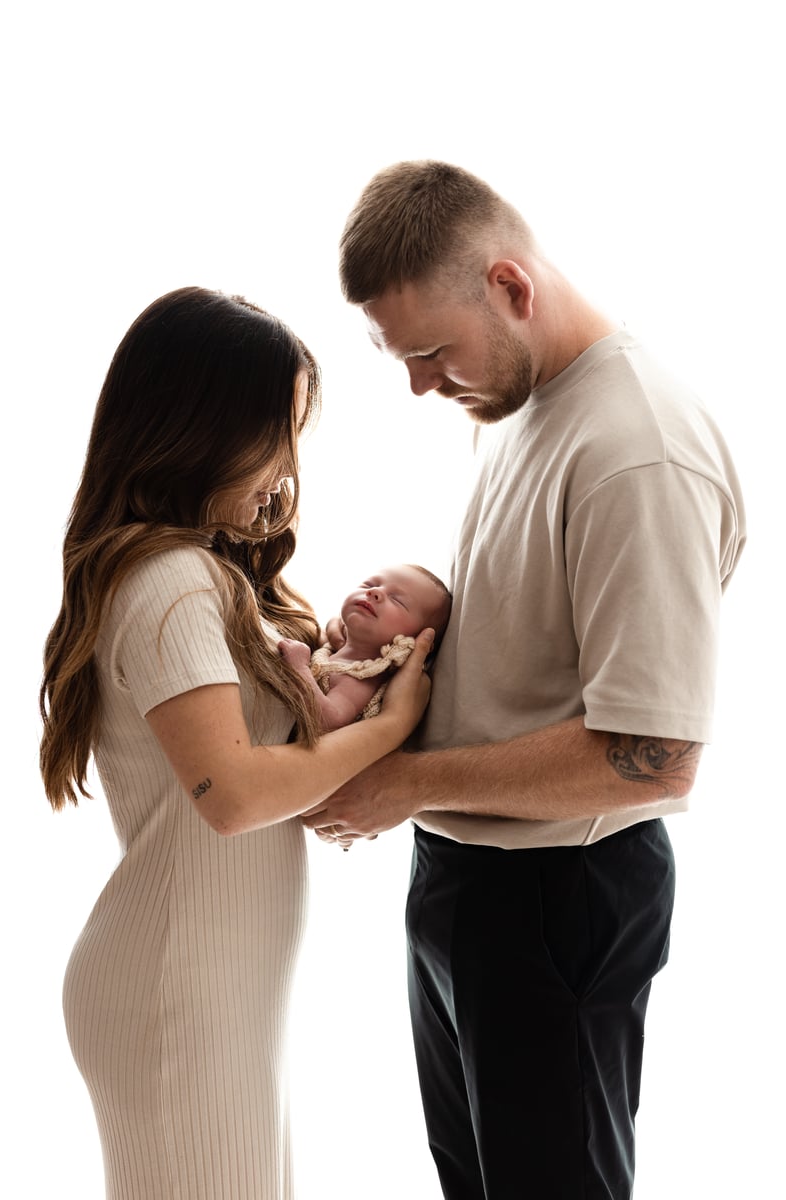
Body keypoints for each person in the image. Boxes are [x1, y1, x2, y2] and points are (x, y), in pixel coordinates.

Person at [302, 162, 747, 1200]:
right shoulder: (516, 408)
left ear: (509, 285)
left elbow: (651, 760)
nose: (416, 384)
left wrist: (406, 784)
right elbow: (535, 640)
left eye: (426, 352)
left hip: (555, 902)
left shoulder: (635, 449)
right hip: (466, 879)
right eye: (393, 355)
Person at [38, 286, 434, 1200]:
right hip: (182, 988)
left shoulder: (203, 573)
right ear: (203, 425)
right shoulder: (175, 581)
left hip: (203, 985)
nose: (287, 464)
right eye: (278, 430)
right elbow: (237, 797)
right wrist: (395, 733)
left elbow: (264, 777)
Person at [279, 563, 452, 731]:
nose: (375, 591)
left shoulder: (361, 679)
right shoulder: (333, 649)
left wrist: (299, 668)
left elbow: (328, 720)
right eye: (369, 584)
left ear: (416, 639)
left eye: (397, 601)